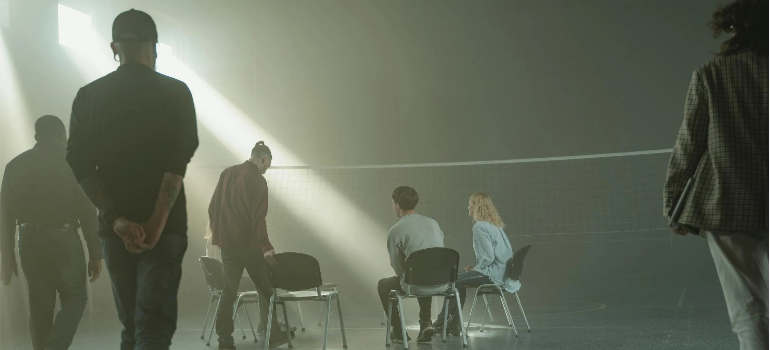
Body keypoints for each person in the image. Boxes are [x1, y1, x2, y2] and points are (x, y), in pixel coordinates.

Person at [66, 9, 198, 350]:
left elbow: (80, 164)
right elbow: (176, 163)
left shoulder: (88, 97)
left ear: (114, 47)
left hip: (116, 233)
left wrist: (118, 219)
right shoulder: (176, 93)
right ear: (153, 46)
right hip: (165, 229)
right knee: (152, 328)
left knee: (130, 328)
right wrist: (155, 224)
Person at [663, 1, 769, 349]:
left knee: (747, 310)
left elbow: (688, 144)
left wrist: (673, 203)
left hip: (726, 203)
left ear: (733, 29)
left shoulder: (711, 74)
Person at [0, 115, 103, 350]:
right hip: (63, 236)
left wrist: (7, 256)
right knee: (76, 297)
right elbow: (86, 209)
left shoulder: (14, 165)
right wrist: (95, 252)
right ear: (60, 136)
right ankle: (55, 346)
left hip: (27, 238)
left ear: (36, 137)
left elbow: (4, 215)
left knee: (39, 305)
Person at [208, 141, 292, 349]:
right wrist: (266, 245)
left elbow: (212, 207)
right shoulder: (258, 180)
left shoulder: (227, 173)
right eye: (268, 165)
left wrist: (218, 234)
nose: (266, 170)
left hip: (227, 246)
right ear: (264, 159)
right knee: (266, 290)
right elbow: (258, 217)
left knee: (228, 291)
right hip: (249, 246)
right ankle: (273, 334)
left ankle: (224, 341)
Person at [433, 193, 520, 335]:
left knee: (453, 279)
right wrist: (476, 267)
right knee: (458, 279)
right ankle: (453, 323)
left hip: (494, 275)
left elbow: (489, 257)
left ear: (476, 206)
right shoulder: (495, 226)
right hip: (504, 274)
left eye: (470, 204)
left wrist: (477, 268)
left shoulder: (479, 227)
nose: (468, 207)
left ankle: (443, 320)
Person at [377, 186, 446, 344]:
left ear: (397, 205)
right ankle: (426, 323)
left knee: (384, 285)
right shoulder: (433, 223)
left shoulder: (395, 231)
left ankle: (400, 332)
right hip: (441, 282)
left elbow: (398, 268)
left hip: (415, 282)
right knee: (425, 273)